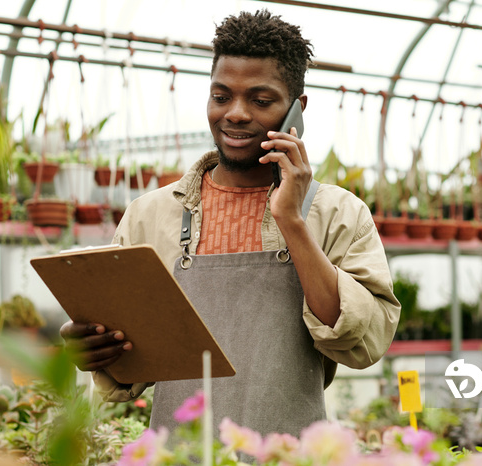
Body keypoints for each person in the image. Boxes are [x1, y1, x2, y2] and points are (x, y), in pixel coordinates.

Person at [60, 9, 400, 437]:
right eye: (221, 96)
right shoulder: (151, 215)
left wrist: (292, 220)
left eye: (260, 100)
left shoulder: (338, 213)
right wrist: (93, 345)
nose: (235, 114)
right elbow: (130, 368)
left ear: (298, 108)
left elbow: (361, 341)